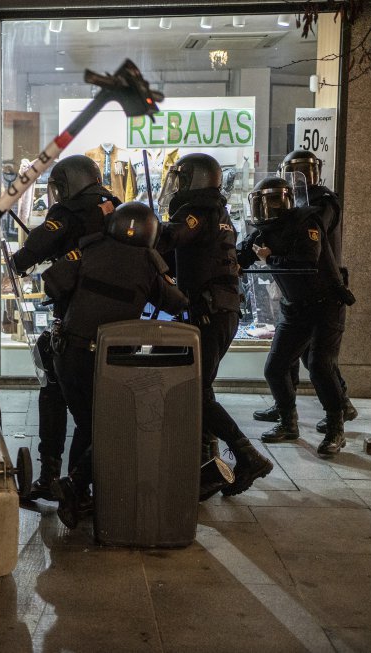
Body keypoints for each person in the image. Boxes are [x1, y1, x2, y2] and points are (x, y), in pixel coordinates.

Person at [48, 201, 188, 527]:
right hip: (105, 362)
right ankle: (75, 485)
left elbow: (53, 282)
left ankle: (76, 496)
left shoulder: (89, 249)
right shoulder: (147, 265)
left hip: (67, 356)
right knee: (117, 428)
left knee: (89, 425)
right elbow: (179, 302)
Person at [155, 152, 274, 498]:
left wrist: (145, 231)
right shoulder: (217, 211)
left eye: (182, 178)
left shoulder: (197, 212)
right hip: (220, 311)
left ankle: (246, 455)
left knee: (195, 392)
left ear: (197, 180)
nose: (177, 185)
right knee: (200, 388)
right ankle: (208, 467)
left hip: (209, 314)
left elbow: (170, 238)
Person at [11, 154, 120, 501]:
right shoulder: (113, 206)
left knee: (54, 389)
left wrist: (20, 260)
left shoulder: (68, 211)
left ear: (69, 184)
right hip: (114, 323)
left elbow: (39, 244)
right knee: (94, 406)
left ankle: (52, 476)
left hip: (74, 321)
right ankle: (83, 479)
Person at [236, 177, 348, 455]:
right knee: (275, 368)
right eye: (263, 202)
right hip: (295, 307)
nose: (267, 208)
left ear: (284, 200)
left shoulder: (305, 223)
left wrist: (269, 259)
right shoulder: (265, 231)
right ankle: (288, 422)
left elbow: (306, 262)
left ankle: (336, 427)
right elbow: (243, 255)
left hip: (325, 306)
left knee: (320, 366)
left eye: (272, 201)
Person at [252, 150, 358, 434]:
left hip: (323, 290)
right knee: (286, 363)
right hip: (296, 298)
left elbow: (311, 246)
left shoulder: (320, 205)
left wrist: (278, 250)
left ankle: (340, 410)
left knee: (319, 363)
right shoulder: (289, 211)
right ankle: (287, 411)